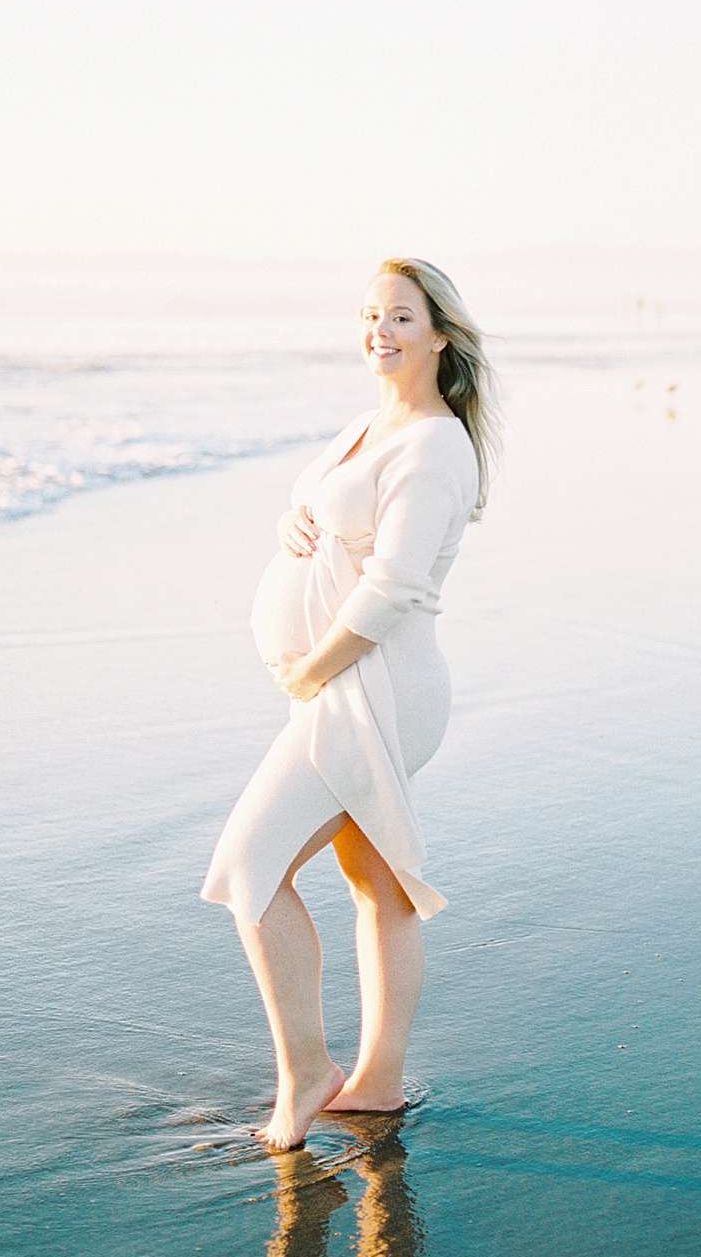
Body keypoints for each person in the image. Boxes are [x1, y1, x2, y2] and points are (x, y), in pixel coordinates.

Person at [200, 255, 502, 1151]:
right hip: (346, 683)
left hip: (374, 684)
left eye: (402, 317)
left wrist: (312, 669)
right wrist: (291, 520)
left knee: (252, 866)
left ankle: (307, 1076)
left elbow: (393, 585)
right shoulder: (370, 425)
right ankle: (377, 1081)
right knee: (374, 880)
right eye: (371, 315)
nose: (380, 330)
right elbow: (320, 505)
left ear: (440, 334)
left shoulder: (436, 443)